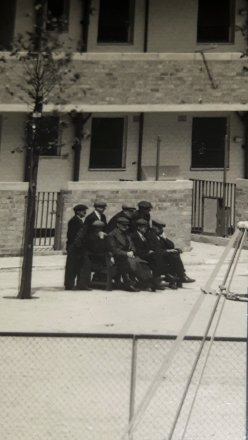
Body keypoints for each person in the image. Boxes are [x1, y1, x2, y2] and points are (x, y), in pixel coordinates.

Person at [146, 219, 195, 288]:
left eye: (161, 228)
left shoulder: (160, 236)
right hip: (155, 257)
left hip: (162, 255)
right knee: (173, 256)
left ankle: (179, 277)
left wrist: (165, 238)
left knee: (175, 254)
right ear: (154, 227)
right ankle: (180, 277)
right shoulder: (150, 235)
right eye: (159, 228)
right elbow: (155, 249)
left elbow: (171, 245)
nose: (161, 230)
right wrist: (167, 251)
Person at [108, 217, 153, 291]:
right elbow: (114, 249)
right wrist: (126, 253)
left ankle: (146, 281)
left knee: (142, 262)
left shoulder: (127, 234)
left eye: (127, 225)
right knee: (130, 263)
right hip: (118, 257)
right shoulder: (112, 235)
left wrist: (132, 251)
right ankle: (129, 283)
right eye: (124, 225)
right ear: (118, 225)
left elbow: (132, 245)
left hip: (129, 255)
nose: (126, 227)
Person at [131, 218, 175, 289]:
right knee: (156, 256)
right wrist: (148, 251)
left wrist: (149, 251)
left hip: (146, 253)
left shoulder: (143, 235)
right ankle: (162, 277)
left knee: (157, 256)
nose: (145, 229)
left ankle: (158, 280)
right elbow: (137, 250)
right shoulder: (135, 236)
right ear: (138, 227)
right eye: (144, 227)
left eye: (146, 227)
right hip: (140, 255)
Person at [77, 220, 115, 289]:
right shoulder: (90, 237)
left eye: (101, 228)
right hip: (94, 260)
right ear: (94, 228)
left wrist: (111, 254)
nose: (99, 230)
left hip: (101, 259)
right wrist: (101, 239)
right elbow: (96, 249)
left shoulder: (104, 236)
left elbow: (109, 247)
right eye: (97, 228)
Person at [64, 204, 88, 290]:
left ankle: (79, 284)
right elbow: (72, 236)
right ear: (78, 212)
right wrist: (77, 246)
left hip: (78, 247)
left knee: (78, 266)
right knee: (72, 266)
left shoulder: (79, 220)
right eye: (83, 210)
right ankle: (69, 285)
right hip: (74, 247)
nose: (85, 212)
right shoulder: (74, 221)